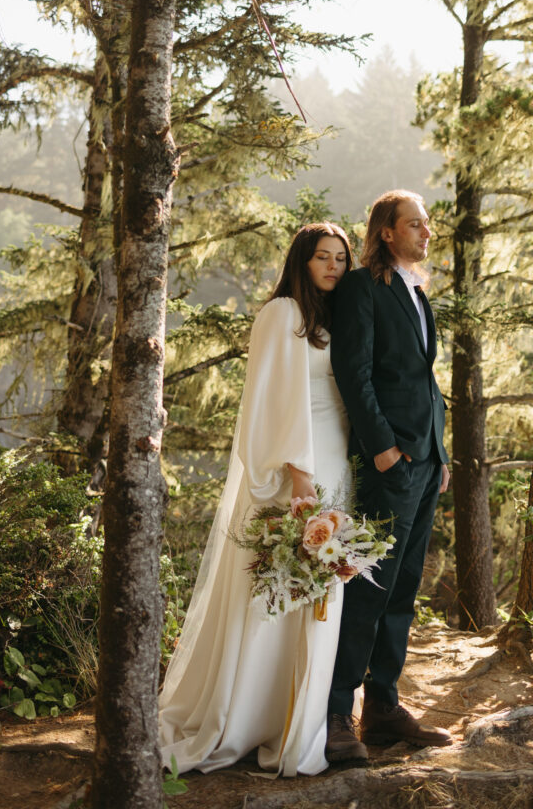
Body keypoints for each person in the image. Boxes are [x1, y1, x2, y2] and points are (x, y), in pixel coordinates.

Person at [159, 222, 353, 777]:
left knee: (319, 591)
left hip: (336, 463)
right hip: (298, 472)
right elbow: (272, 403)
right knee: (277, 590)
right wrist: (300, 477)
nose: (334, 266)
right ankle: (252, 717)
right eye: (323, 257)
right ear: (302, 260)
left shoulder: (331, 318)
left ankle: (299, 717)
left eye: (341, 258)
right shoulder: (283, 314)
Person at [325, 190, 452, 762]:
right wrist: (383, 451)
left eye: (427, 224)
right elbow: (354, 372)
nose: (427, 233)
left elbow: (424, 381)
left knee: (403, 589)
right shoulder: (360, 289)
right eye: (416, 224)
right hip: (390, 463)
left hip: (426, 464)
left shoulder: (416, 292)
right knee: (370, 587)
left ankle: (382, 706)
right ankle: (335, 714)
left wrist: (440, 455)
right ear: (385, 231)